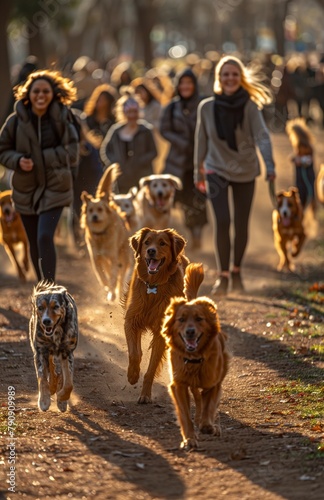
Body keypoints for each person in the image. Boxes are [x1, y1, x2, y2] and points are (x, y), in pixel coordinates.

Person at [194, 55, 276, 295]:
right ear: (219, 78)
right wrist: (198, 173)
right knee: (222, 221)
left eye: (234, 74)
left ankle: (237, 270)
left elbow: (262, 136)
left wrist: (270, 166)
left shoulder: (249, 106)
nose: (230, 78)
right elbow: (201, 139)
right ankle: (223, 276)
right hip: (215, 169)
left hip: (245, 170)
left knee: (241, 223)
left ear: (240, 78)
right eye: (225, 74)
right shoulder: (206, 107)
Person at [0, 69, 79, 282]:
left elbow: (72, 152)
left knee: (45, 236)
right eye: (36, 91)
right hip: (25, 189)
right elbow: (3, 150)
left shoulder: (63, 118)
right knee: (34, 240)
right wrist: (17, 160)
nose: (41, 95)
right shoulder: (14, 121)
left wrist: (41, 158)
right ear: (28, 93)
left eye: (45, 91)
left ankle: (50, 286)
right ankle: (43, 287)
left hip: (56, 187)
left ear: (53, 93)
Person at [160, 68, 208, 249]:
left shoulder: (204, 104)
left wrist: (199, 142)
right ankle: (174, 236)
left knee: (198, 199)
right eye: (182, 83)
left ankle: (197, 234)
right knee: (173, 200)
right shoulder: (172, 107)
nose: (185, 86)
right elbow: (164, 129)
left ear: (194, 85)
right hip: (176, 163)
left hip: (199, 162)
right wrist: (180, 141)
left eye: (189, 83)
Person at [100, 92, 157, 193]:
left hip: (142, 177)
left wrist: (140, 162)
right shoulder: (116, 131)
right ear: (123, 113)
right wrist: (115, 162)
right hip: (121, 178)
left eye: (135, 112)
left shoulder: (146, 130)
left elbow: (153, 152)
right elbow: (105, 150)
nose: (132, 115)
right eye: (129, 112)